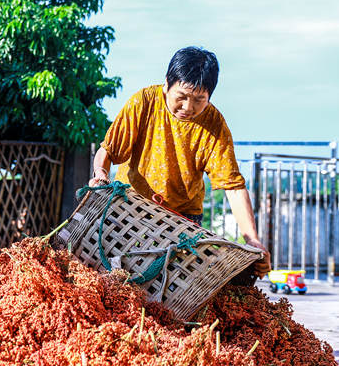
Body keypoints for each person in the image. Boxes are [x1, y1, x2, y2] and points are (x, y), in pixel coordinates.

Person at [88, 46, 270, 277]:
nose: (188, 107)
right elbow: (108, 150)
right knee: (117, 277)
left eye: (199, 100)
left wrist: (252, 240)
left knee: (176, 284)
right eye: (181, 97)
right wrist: (100, 174)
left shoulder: (214, 124)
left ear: (209, 97)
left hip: (183, 219)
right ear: (167, 85)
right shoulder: (144, 102)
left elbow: (233, 187)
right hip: (130, 208)